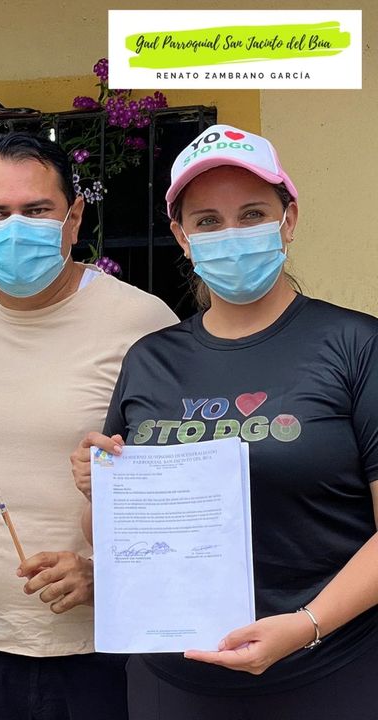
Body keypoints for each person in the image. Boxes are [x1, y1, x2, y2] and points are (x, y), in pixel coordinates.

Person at [72, 124, 378, 719]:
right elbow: (109, 535)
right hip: (172, 681)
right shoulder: (150, 360)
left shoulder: (355, 346)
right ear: (182, 237)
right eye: (208, 221)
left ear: (288, 220)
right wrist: (98, 487)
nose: (230, 234)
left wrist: (306, 625)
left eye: (252, 214)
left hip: (330, 673)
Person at [0, 132, 177, 720]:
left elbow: (181, 489)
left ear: (74, 217)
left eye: (37, 210)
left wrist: (106, 574)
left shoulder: (142, 320)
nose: (16, 227)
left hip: (106, 649)